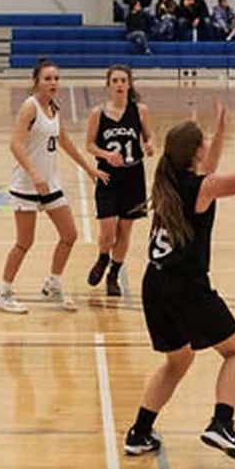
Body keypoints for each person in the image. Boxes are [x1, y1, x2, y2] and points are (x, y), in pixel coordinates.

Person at [123, 91, 235, 461]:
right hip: (187, 288)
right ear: (195, 152)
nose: (209, 147)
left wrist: (222, 129)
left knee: (178, 361)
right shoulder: (203, 188)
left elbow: (207, 168)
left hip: (155, 285)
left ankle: (140, 432)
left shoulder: (166, 181)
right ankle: (221, 423)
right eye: (206, 143)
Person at [0, 59, 105, 314]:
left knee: (69, 235)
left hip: (51, 183)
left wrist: (87, 168)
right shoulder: (30, 107)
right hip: (27, 184)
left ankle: (52, 285)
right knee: (24, 242)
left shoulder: (54, 106)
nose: (53, 83)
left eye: (56, 78)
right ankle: (3, 292)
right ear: (37, 81)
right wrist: (34, 174)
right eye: (48, 79)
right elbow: (15, 144)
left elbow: (63, 140)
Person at [85, 66, 155, 297]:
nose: (119, 84)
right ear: (108, 84)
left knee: (125, 231)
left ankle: (114, 274)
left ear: (129, 84)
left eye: (123, 80)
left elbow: (149, 136)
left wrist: (149, 144)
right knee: (108, 232)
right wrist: (106, 156)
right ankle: (103, 257)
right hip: (107, 176)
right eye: (115, 80)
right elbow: (89, 145)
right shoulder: (98, 113)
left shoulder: (140, 110)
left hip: (133, 176)